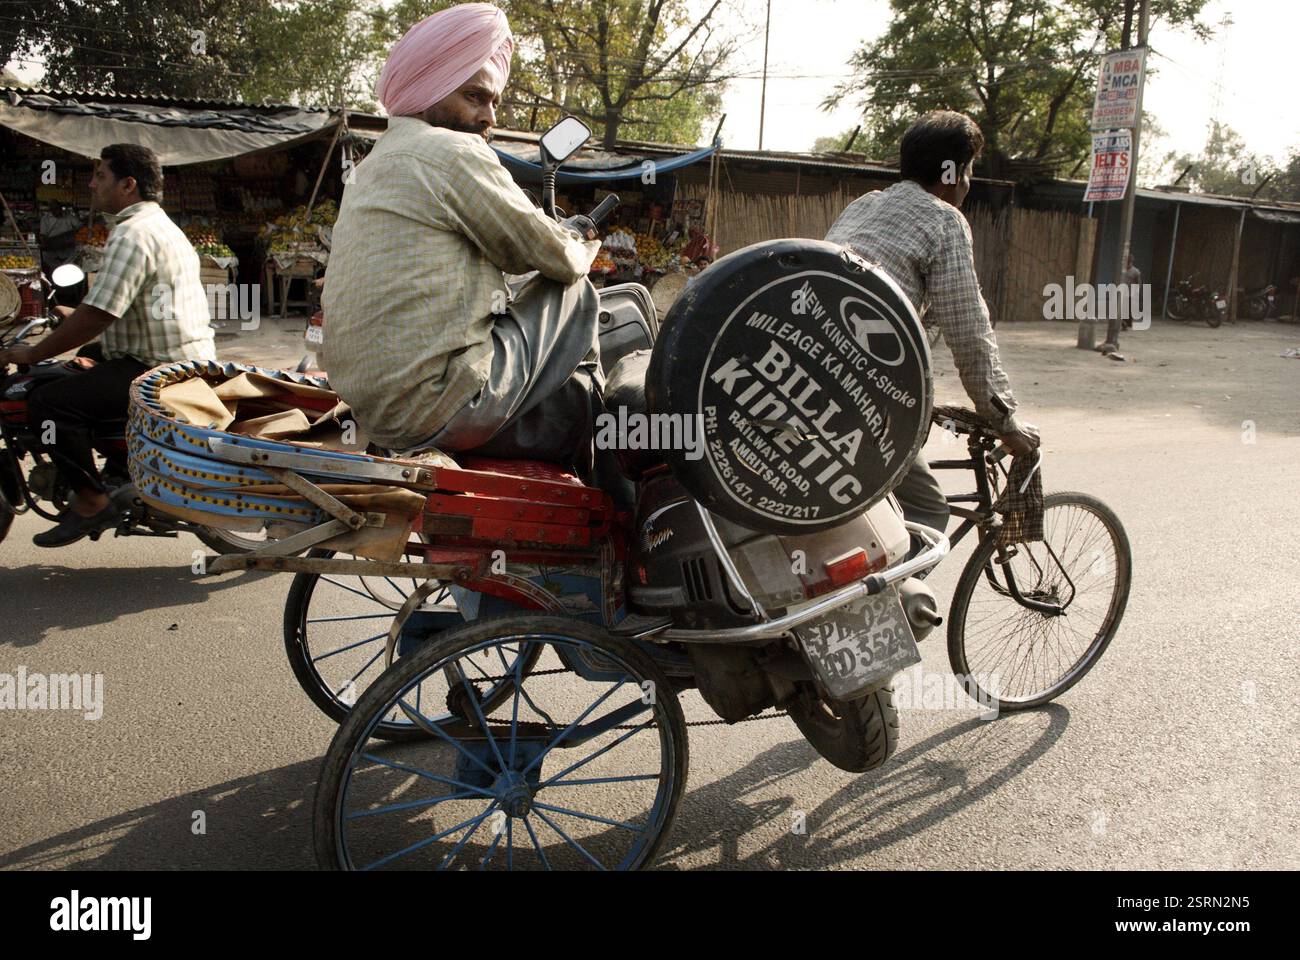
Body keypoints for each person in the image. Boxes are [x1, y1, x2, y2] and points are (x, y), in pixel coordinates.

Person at [322, 3, 603, 466]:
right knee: (576, 288)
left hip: (373, 413)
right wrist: (578, 240)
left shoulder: (374, 163)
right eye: (475, 97)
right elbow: (556, 255)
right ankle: (592, 405)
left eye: (493, 102)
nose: (489, 116)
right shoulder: (451, 151)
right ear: (430, 90)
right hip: (439, 408)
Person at [825, 110, 1039, 552]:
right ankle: (897, 614)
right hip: (861, 401)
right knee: (926, 514)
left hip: (806, 375)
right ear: (953, 172)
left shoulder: (864, 206)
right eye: (970, 169)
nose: (968, 181)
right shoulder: (944, 220)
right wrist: (1004, 419)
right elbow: (969, 332)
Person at [0, 143, 215, 547]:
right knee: (67, 370)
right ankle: (115, 465)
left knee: (48, 403)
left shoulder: (132, 234)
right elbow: (113, 307)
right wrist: (69, 317)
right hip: (170, 354)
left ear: (128, 184)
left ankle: (91, 500)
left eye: (100, 175)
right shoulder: (158, 226)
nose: (92, 183)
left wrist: (31, 352)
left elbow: (100, 313)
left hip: (157, 369)